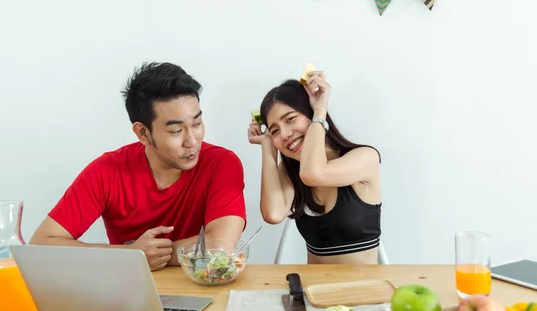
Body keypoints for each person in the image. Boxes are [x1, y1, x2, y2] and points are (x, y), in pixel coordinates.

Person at [31, 62, 247, 271]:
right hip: (129, 296)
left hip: (204, 288)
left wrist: (144, 255)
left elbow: (221, 245)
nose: (192, 141)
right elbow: (41, 244)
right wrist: (129, 255)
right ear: (143, 133)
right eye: (176, 131)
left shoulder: (222, 163)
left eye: (197, 124)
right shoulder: (107, 171)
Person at [247, 71, 381, 265]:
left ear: (310, 113)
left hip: (362, 291)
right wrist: (267, 147)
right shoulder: (291, 171)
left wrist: (320, 110)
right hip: (312, 292)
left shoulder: (365, 157)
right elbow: (273, 214)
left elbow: (314, 173)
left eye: (290, 119)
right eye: (275, 130)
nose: (284, 134)